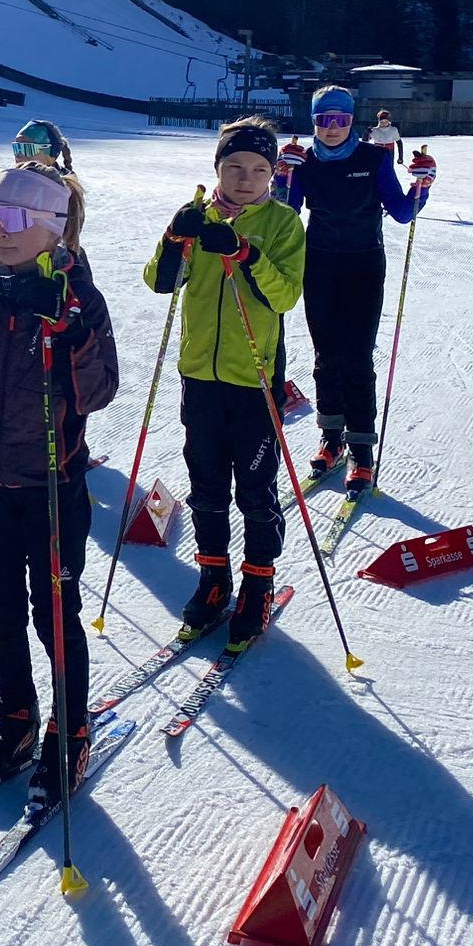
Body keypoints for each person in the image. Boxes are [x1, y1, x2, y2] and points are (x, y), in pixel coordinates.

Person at [0, 162, 120, 804]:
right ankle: (16, 717)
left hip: (51, 482)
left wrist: (68, 333)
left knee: (54, 613)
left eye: (11, 222)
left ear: (52, 231)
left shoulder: (76, 297)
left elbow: (98, 390)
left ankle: (71, 727)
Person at [143, 115, 306, 648]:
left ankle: (259, 581)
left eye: (258, 169)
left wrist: (245, 253)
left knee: (255, 488)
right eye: (234, 166)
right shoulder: (199, 213)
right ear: (218, 167)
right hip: (201, 375)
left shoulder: (283, 224)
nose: (245, 177)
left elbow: (284, 297)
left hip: (254, 376)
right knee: (207, 484)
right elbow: (160, 282)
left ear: (273, 174)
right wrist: (176, 237)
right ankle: (214, 578)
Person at [281, 86, 431, 495]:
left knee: (357, 357)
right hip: (320, 264)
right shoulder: (305, 160)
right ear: (313, 122)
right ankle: (331, 438)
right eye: (323, 120)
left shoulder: (373, 158)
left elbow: (402, 212)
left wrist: (423, 185)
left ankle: (361, 451)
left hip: (364, 263)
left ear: (352, 121)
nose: (332, 128)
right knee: (325, 355)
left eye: (341, 120)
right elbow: (287, 211)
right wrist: (284, 176)